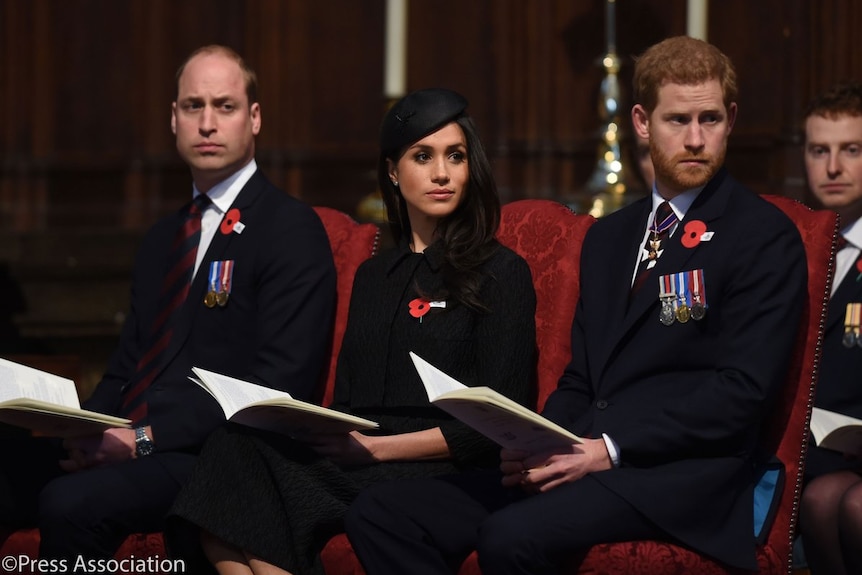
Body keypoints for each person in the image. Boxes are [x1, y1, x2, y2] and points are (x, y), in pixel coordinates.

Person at [345, 36, 807, 574]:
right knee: (382, 513)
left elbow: (741, 395)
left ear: (731, 119)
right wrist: (535, 440)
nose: (696, 138)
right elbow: (583, 380)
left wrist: (607, 449)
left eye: (710, 119)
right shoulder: (611, 237)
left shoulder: (763, 235)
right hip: (585, 457)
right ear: (641, 122)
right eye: (677, 120)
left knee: (510, 535)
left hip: (682, 479)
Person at [165, 88, 537, 575]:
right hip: (361, 452)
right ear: (391, 171)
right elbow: (348, 402)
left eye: (456, 156)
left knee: (250, 491)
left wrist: (377, 449)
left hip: (443, 463)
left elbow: (502, 420)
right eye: (422, 157)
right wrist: (315, 426)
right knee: (232, 449)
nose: (442, 173)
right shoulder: (372, 277)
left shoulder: (501, 271)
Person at [0, 44, 337, 561]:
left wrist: (144, 440)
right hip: (131, 440)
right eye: (192, 106)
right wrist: (81, 429)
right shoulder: (163, 237)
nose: (207, 122)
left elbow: (276, 385)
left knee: (69, 503)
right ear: (173, 119)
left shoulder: (288, 227)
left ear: (254, 119)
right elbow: (126, 369)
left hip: (211, 455)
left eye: (224, 107)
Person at [798, 80, 862, 575]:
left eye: (851, 150)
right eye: (820, 150)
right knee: (820, 500)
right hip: (813, 448)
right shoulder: (794, 245)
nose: (833, 167)